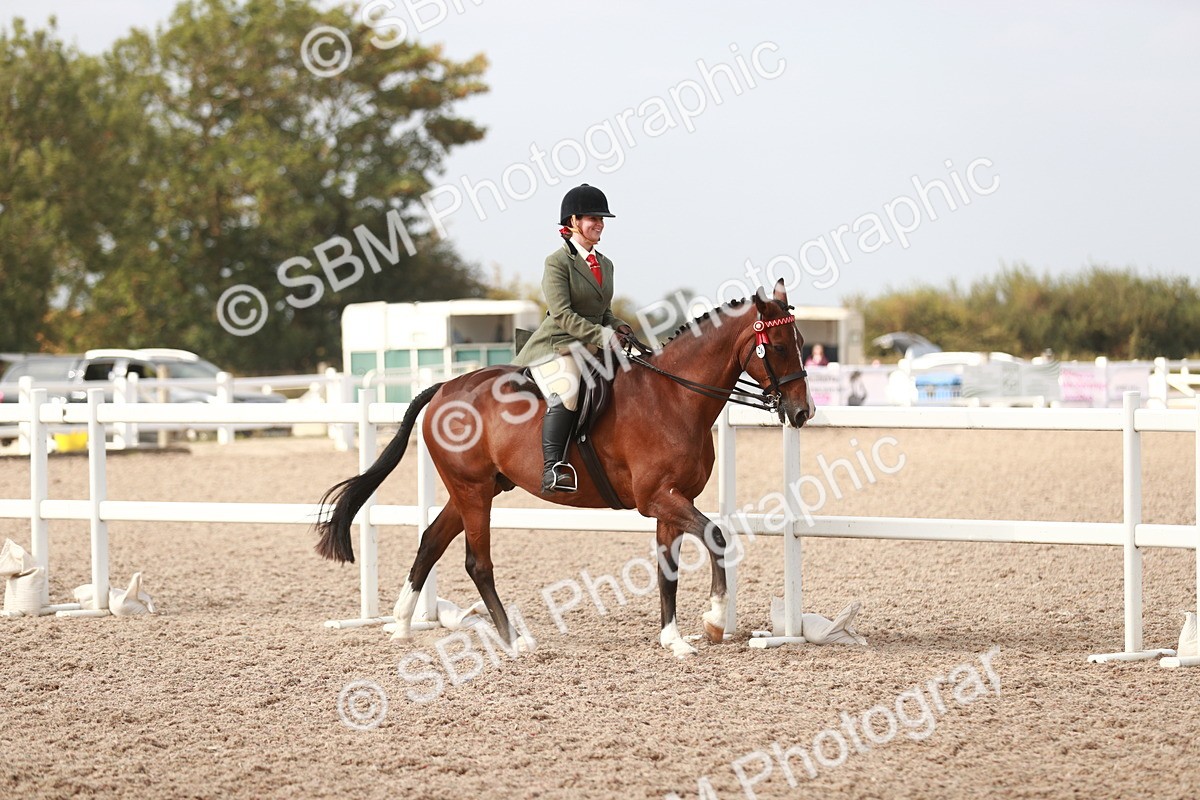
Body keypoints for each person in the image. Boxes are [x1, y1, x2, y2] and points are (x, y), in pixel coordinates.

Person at [512, 184, 635, 493]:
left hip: (592, 345)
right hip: (557, 346)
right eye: (593, 218)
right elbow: (563, 314)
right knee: (568, 390)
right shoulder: (557, 263)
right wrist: (603, 335)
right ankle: (553, 467)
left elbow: (604, 312)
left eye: (602, 219)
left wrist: (620, 328)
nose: (600, 224)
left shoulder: (605, 264)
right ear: (573, 222)